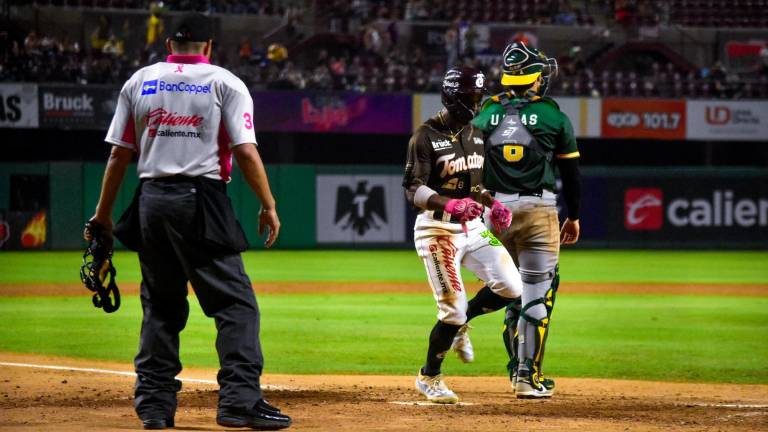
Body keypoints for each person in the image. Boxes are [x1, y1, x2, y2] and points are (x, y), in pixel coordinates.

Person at [85, 13, 291, 430]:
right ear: (209, 46)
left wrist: (102, 217)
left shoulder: (139, 80)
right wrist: (268, 204)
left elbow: (117, 155)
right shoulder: (225, 82)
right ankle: (238, 401)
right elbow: (246, 152)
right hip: (200, 199)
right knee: (236, 305)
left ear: (169, 46)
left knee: (160, 306)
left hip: (151, 200)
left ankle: (155, 408)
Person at [403, 67, 523, 404]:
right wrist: (450, 203)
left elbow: (476, 184)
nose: (478, 101)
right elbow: (412, 188)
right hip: (437, 229)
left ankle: (462, 323)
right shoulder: (424, 136)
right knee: (451, 311)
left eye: (478, 95)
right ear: (454, 96)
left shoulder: (474, 133)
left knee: (512, 287)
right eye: (472, 96)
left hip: (472, 228)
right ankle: (429, 377)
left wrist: (491, 203)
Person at [471, 42, 581, 398]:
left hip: (494, 213)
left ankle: (473, 327)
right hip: (538, 211)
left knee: (509, 287)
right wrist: (574, 217)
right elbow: (572, 174)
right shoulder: (553, 116)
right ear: (535, 79)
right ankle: (526, 377)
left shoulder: (485, 114)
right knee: (536, 294)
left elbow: (467, 164)